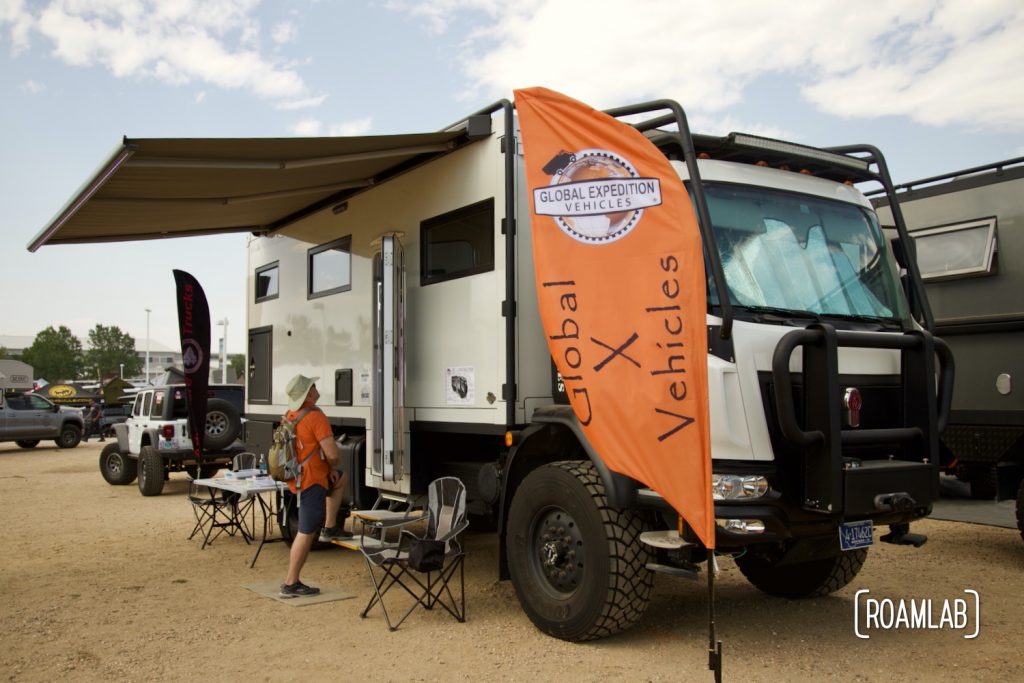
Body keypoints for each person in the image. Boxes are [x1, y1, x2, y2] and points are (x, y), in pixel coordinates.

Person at [280, 374, 350, 598]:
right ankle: (291, 582)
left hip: (299, 476)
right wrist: (332, 462)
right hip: (312, 480)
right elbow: (332, 454)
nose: (317, 388)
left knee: (341, 479)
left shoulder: (290, 415)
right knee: (306, 531)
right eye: (314, 386)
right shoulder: (315, 417)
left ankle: (330, 527)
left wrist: (331, 470)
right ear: (309, 392)